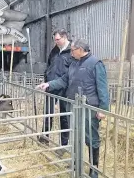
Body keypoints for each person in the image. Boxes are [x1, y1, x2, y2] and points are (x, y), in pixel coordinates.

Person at [37, 38, 109, 178]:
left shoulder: (95, 63)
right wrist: (49, 84)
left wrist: (103, 109)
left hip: (89, 107)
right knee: (76, 135)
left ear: (81, 50)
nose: (71, 53)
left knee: (91, 137)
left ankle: (94, 169)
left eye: (73, 50)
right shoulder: (74, 63)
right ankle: (76, 163)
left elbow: (102, 87)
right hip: (74, 105)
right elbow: (64, 80)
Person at [38, 29, 73, 149]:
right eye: (55, 39)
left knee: (64, 115)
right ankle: (45, 137)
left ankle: (64, 143)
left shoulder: (72, 51)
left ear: (65, 37)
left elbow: (71, 73)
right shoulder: (54, 50)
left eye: (58, 39)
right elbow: (49, 65)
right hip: (51, 86)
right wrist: (45, 78)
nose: (56, 42)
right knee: (48, 112)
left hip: (64, 88)